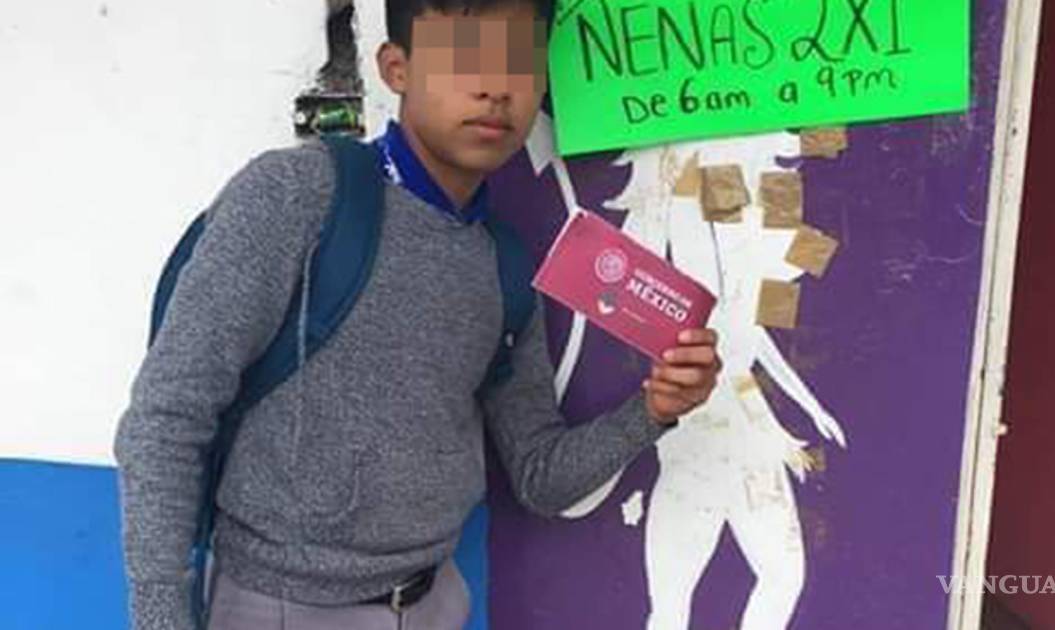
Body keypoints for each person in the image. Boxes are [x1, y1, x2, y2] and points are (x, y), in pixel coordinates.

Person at [112, 1, 723, 628]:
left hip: (435, 603)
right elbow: (168, 415)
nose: (495, 88)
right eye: (465, 54)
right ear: (396, 68)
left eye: (519, 61)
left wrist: (655, 410)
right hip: (281, 606)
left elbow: (540, 476)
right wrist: (161, 616)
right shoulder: (297, 197)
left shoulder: (503, 265)